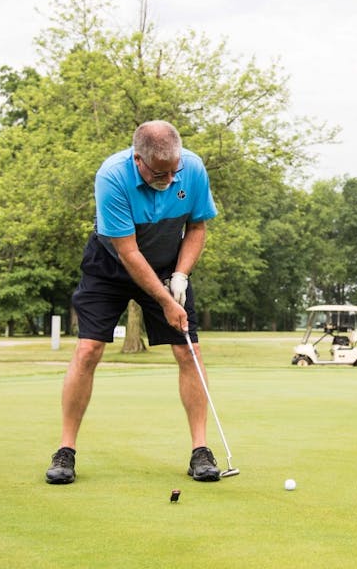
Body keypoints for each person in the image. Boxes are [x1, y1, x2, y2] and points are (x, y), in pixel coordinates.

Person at [45, 120, 221, 484]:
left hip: (166, 263)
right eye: (160, 173)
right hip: (110, 265)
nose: (170, 179)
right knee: (88, 349)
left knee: (189, 351)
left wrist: (181, 276)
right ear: (137, 159)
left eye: (175, 171)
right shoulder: (111, 176)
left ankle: (201, 450)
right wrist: (166, 302)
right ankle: (65, 450)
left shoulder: (192, 167)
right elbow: (128, 253)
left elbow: (198, 227)